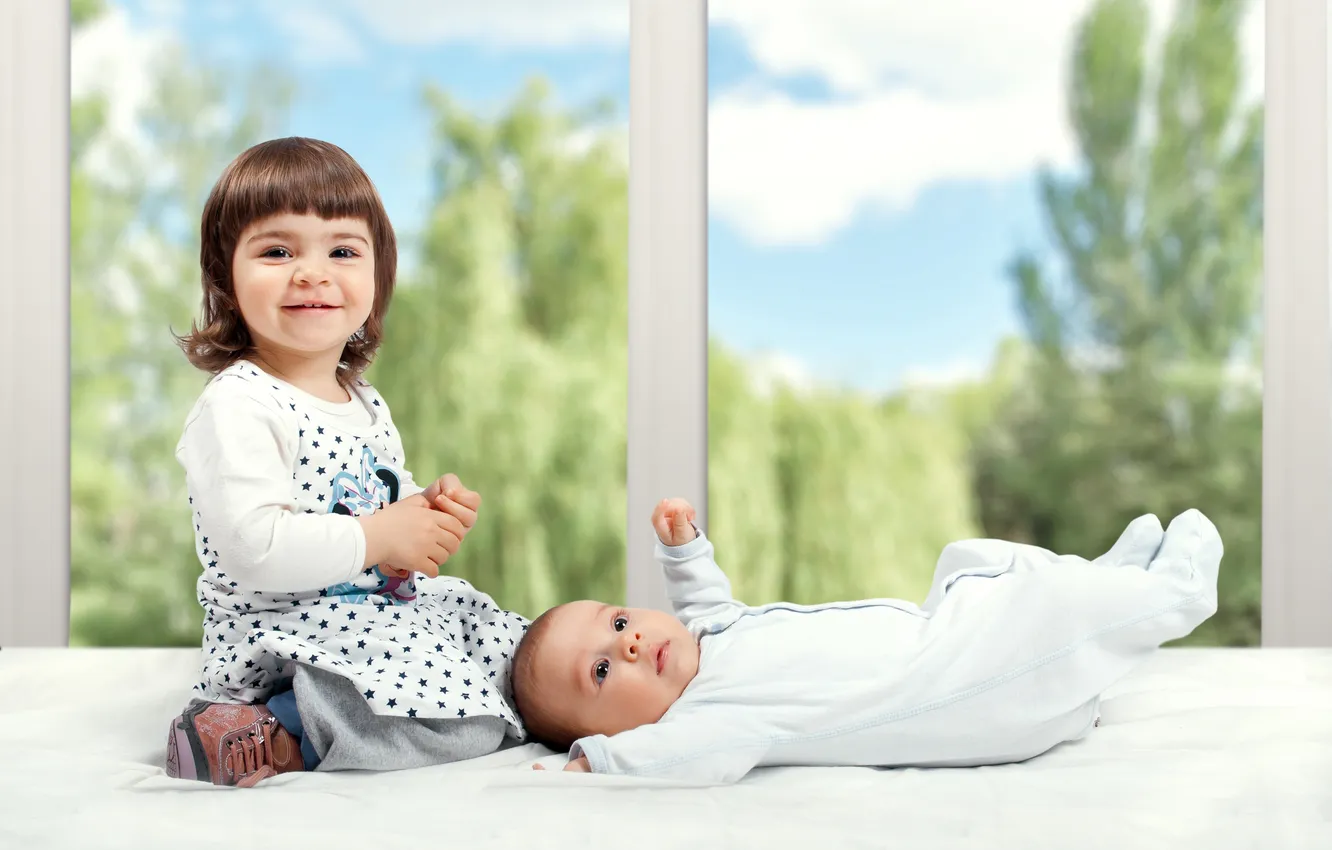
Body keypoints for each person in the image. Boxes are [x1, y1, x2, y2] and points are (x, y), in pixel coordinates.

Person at [162, 137, 528, 789]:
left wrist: (424, 514)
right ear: (225, 277)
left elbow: (378, 497)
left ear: (377, 279)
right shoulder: (240, 405)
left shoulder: (363, 400)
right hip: (285, 629)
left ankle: (577, 691)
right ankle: (274, 730)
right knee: (466, 724)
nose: (311, 271)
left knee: (495, 637)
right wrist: (380, 535)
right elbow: (254, 548)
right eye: (277, 251)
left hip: (371, 608)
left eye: (342, 251)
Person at [514, 497, 1223, 785]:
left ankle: (1109, 579)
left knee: (976, 564)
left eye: (616, 622)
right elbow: (672, 763)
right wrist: (591, 767)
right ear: (615, 730)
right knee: (1047, 611)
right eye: (602, 674)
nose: (631, 645)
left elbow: (707, 604)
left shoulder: (708, 640)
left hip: (939, 633)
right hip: (966, 688)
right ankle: (1173, 593)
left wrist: (682, 550)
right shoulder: (713, 722)